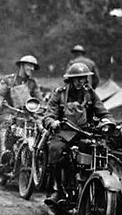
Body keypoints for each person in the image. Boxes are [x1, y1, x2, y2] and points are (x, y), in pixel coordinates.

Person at [42, 62, 112, 206]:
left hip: (84, 133)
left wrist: (109, 121)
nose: (81, 81)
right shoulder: (60, 93)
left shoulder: (90, 93)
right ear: (71, 79)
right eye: (77, 78)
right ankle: (58, 190)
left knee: (100, 152)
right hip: (64, 132)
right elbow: (48, 115)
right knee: (55, 150)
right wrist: (52, 122)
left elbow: (103, 111)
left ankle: (95, 189)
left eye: (83, 78)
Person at [0, 54, 41, 164]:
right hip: (9, 112)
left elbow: (39, 99)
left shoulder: (32, 83)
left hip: (27, 115)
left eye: (33, 67)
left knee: (40, 127)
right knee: (6, 123)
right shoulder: (8, 80)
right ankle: (4, 153)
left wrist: (42, 107)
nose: (31, 69)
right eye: (29, 65)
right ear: (22, 65)